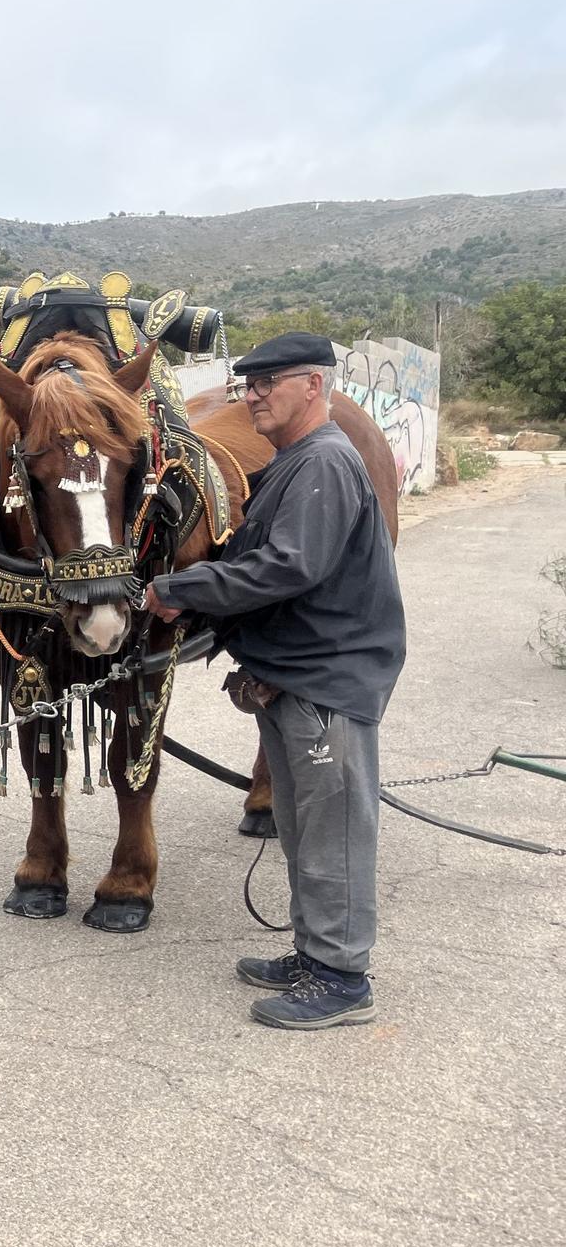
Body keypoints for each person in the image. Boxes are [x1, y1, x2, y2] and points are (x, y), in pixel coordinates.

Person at [143, 330, 404, 1030]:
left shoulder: (322, 462)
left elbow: (290, 567)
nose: (251, 396)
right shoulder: (296, 462)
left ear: (313, 386)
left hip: (326, 679)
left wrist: (185, 587)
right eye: (245, 385)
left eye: (267, 383)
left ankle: (343, 979)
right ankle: (316, 954)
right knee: (299, 825)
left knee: (333, 833)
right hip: (295, 674)